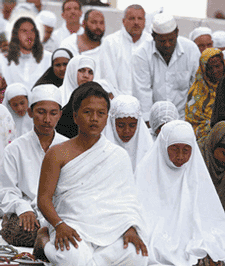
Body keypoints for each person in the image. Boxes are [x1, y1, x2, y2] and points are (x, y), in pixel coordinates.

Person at [37, 81, 148, 266]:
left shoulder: (118, 155)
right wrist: (59, 225)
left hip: (111, 228)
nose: (94, 118)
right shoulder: (57, 153)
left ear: (107, 118)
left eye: (101, 113)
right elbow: (43, 199)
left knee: (137, 256)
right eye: (88, 112)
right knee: (74, 260)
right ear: (75, 116)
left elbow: (127, 199)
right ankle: (44, 241)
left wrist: (129, 227)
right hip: (71, 225)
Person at [135, 120, 225, 266]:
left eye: (186, 150)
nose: (180, 156)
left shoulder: (195, 172)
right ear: (164, 146)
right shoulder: (145, 171)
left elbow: (209, 218)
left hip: (189, 240)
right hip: (155, 238)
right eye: (174, 149)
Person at [0, 84, 68, 247]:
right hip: (29, 219)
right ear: (30, 113)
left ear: (60, 114)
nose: (47, 120)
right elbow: (6, 190)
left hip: (62, 215)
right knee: (17, 229)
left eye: (53, 113)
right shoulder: (14, 149)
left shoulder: (68, 147)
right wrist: (23, 208)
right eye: (41, 112)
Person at [132, 13, 200, 124]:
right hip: (155, 121)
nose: (167, 45)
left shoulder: (191, 50)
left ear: (177, 33)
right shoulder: (141, 54)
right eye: (162, 41)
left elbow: (196, 87)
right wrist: (150, 124)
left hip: (185, 119)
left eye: (171, 40)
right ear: (153, 37)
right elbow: (142, 92)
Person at [99, 4, 152, 95]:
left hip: (147, 103)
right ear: (123, 21)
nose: (136, 22)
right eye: (132, 18)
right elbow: (108, 77)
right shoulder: (111, 42)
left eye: (140, 18)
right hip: (118, 102)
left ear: (145, 22)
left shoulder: (151, 42)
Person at [103, 95, 153, 172]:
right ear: (112, 123)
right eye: (121, 126)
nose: (126, 131)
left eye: (132, 125)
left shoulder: (148, 152)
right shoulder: (101, 152)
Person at [0, 17, 51, 91]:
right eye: (24, 31)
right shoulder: (3, 59)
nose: (29, 36)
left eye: (32, 31)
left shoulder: (48, 58)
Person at [185, 48, 225, 140]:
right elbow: (193, 125)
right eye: (210, 68)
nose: (215, 71)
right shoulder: (196, 94)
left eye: (218, 66)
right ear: (203, 70)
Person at [56, 55, 95, 138]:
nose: (86, 76)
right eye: (81, 70)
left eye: (90, 72)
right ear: (72, 70)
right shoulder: (57, 94)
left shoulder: (94, 98)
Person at [60, 9, 105, 79]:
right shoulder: (68, 44)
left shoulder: (109, 46)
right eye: (94, 22)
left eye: (101, 23)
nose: (98, 26)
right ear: (83, 24)